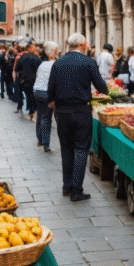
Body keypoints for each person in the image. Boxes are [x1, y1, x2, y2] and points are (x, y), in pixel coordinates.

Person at [47, 33, 108, 202]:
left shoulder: (58, 62)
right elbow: (101, 86)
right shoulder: (88, 62)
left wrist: (52, 101)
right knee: (81, 149)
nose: (88, 46)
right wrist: (106, 91)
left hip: (62, 112)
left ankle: (67, 187)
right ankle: (76, 190)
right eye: (87, 44)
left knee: (66, 149)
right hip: (81, 112)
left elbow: (50, 88)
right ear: (82, 44)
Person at [33, 41, 59, 153]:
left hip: (37, 91)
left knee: (40, 115)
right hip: (46, 93)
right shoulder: (56, 65)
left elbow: (38, 76)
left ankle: (39, 139)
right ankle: (46, 143)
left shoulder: (42, 64)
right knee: (47, 118)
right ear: (54, 53)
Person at [15, 39, 41, 121]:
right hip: (35, 80)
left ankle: (31, 109)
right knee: (33, 95)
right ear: (31, 48)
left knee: (28, 95)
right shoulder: (37, 58)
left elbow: (17, 69)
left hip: (25, 80)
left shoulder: (22, 58)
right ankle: (32, 109)